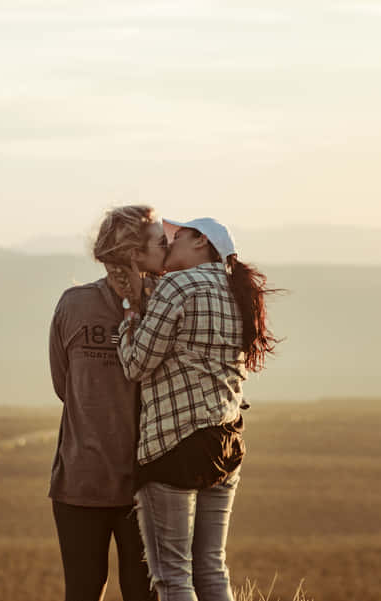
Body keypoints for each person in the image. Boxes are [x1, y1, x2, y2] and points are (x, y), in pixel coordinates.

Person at [109, 217, 281, 601]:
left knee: (172, 576)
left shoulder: (177, 285)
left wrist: (128, 321)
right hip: (227, 439)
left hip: (174, 443)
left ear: (202, 242)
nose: (169, 245)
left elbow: (137, 364)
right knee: (211, 568)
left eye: (177, 237)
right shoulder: (239, 291)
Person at [48, 205, 168, 601]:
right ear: (135, 253)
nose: (167, 248)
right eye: (159, 242)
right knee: (82, 591)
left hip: (146, 488)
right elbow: (65, 386)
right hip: (80, 485)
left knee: (143, 595)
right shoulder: (74, 305)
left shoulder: (167, 307)